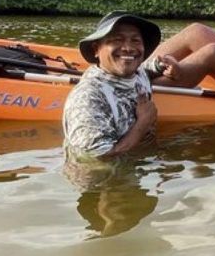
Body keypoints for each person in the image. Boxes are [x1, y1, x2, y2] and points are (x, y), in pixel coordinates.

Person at [62, 11, 162, 159]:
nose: (128, 48)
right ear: (96, 49)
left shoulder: (136, 71)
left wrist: (160, 66)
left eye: (135, 41)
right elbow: (100, 159)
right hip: (104, 178)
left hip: (139, 165)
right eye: (117, 40)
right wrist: (143, 123)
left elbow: (143, 68)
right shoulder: (87, 98)